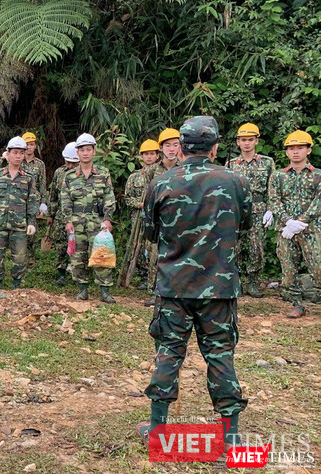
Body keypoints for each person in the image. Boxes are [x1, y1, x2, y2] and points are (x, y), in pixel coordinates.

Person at [137, 115, 250, 451]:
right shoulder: (235, 181)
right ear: (215, 147)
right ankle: (230, 436)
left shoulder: (161, 183)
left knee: (169, 353)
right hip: (219, 287)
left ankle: (158, 431)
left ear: (181, 147)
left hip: (174, 287)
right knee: (220, 356)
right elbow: (244, 225)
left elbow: (150, 233)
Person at [60, 133, 117, 303]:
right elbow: (65, 199)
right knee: (78, 257)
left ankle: (104, 290)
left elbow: (109, 196)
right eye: (82, 150)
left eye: (88, 149)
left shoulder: (103, 173)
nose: (85, 153)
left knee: (101, 254)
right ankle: (82, 289)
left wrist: (108, 218)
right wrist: (67, 221)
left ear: (94, 152)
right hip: (76, 222)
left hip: (97, 222)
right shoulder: (69, 176)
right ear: (77, 153)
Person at [269, 130, 320, 318]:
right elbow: (274, 200)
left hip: (312, 230)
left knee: (318, 267)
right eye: (291, 148)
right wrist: (288, 221)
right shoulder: (278, 176)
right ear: (287, 152)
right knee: (289, 269)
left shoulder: (318, 175)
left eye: (300, 148)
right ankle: (297, 304)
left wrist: (302, 221)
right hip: (286, 230)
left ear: (308, 150)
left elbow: (319, 201)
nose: (296, 152)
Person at [0, 136, 38, 297]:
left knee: (20, 258)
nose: (18, 156)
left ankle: (17, 287)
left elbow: (32, 201)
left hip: (19, 225)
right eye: (15, 152)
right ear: (8, 154)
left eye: (21, 153)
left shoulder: (28, 178)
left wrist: (31, 222)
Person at [226, 123, 275, 298]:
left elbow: (272, 188)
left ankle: (253, 280)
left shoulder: (267, 162)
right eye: (243, 140)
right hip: (237, 210)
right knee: (234, 246)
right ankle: (236, 280)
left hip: (258, 208)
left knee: (257, 247)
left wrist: (271, 210)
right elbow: (227, 190)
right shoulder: (231, 163)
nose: (247, 143)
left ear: (256, 141)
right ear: (238, 142)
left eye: (250, 140)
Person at [141, 128, 181, 306]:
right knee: (155, 256)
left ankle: (177, 291)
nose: (171, 149)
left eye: (175, 145)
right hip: (160, 219)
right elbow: (147, 197)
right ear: (161, 148)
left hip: (180, 220)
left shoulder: (185, 168)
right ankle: (154, 292)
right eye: (167, 145)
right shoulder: (152, 170)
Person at [121, 139, 160, 287]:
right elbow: (127, 198)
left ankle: (154, 276)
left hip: (156, 217)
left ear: (157, 155)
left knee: (153, 246)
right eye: (146, 154)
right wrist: (140, 204)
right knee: (138, 244)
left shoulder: (162, 174)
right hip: (138, 216)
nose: (149, 157)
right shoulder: (134, 177)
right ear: (141, 157)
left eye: (152, 154)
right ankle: (142, 276)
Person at [48, 142, 79, 286]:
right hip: (61, 216)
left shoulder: (84, 173)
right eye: (69, 162)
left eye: (74, 163)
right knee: (61, 244)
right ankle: (61, 273)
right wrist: (51, 214)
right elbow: (53, 195)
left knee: (79, 244)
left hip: (79, 216)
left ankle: (78, 273)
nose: (71, 166)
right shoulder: (59, 173)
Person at [20, 132, 48, 264]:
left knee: (33, 227)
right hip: (20, 198)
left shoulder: (40, 164)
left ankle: (31, 256)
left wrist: (43, 203)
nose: (29, 147)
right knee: (20, 227)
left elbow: (42, 184)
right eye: (26, 145)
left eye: (31, 144)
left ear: (35, 146)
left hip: (34, 200)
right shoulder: (18, 161)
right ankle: (20, 255)